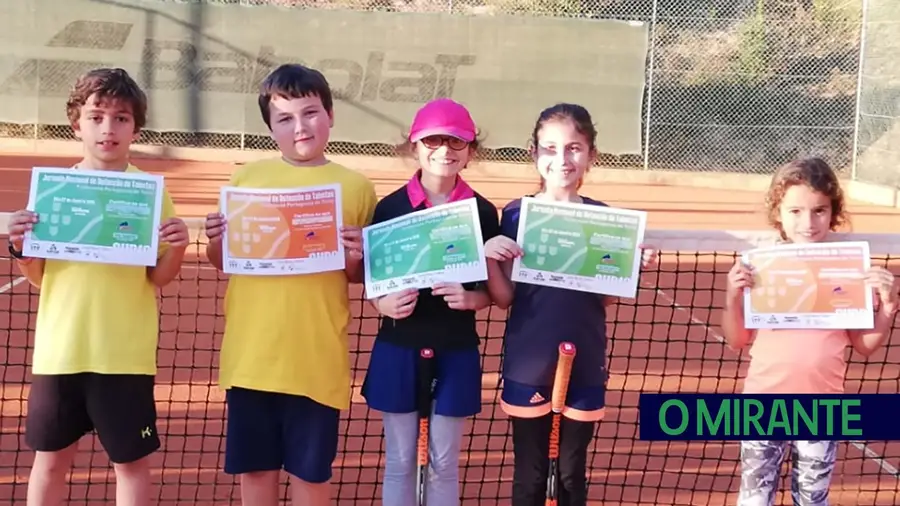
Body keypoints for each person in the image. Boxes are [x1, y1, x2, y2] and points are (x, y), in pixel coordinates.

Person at [5, 67, 188, 506]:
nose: (108, 128)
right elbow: (39, 276)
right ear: (76, 124)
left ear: (135, 127)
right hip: (61, 352)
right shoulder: (53, 193)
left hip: (124, 356)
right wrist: (21, 247)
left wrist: (178, 249)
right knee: (50, 462)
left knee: (130, 465)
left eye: (121, 118)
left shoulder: (152, 193)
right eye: (96, 116)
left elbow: (158, 277)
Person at [203, 63, 377, 506]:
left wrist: (358, 255)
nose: (300, 126)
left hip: (316, 359)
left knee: (311, 475)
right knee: (257, 471)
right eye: (284, 118)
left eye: (311, 112)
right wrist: (217, 241)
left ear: (331, 115)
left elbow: (359, 276)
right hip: (252, 357)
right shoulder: (246, 179)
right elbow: (223, 262)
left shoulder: (356, 188)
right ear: (270, 127)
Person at [482, 103, 658, 506]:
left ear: (591, 155)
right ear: (534, 153)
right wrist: (491, 259)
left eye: (574, 148)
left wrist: (631, 268)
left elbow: (608, 297)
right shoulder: (513, 215)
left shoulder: (605, 221)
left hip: (586, 361)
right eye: (551, 147)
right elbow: (505, 298)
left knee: (571, 473)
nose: (562, 159)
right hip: (529, 363)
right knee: (529, 474)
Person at [722, 157, 897, 506]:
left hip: (822, 406)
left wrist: (888, 308)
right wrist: (732, 295)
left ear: (833, 211)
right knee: (755, 499)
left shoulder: (847, 270)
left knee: (813, 499)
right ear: (779, 214)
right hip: (762, 403)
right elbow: (737, 339)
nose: (808, 222)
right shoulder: (761, 267)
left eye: (819, 210)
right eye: (796, 211)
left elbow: (864, 345)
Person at [360, 98, 500, 506]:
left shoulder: (483, 212)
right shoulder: (389, 209)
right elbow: (374, 283)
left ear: (471, 152)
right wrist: (382, 305)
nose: (444, 150)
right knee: (401, 461)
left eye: (456, 142)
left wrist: (473, 299)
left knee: (444, 462)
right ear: (415, 146)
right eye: (433, 140)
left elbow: (493, 292)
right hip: (398, 347)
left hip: (456, 348)